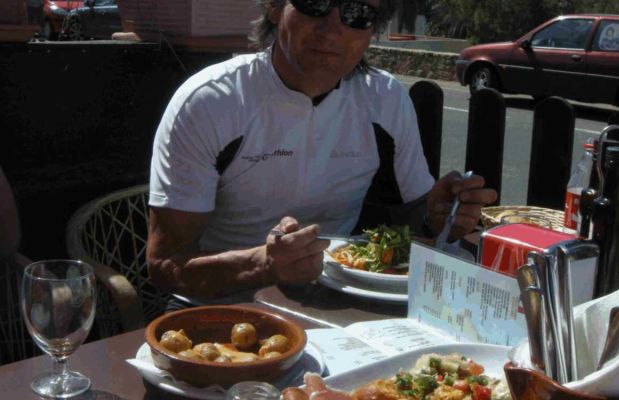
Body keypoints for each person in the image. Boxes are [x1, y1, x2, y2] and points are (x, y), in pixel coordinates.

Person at [146, 0, 497, 303]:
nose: (331, 29)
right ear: (274, 8)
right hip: (219, 308)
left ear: (371, 31)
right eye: (314, 3)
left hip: (340, 301)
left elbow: (415, 212)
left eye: (357, 13)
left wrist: (438, 217)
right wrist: (264, 264)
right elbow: (165, 265)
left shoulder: (385, 99)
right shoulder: (211, 102)